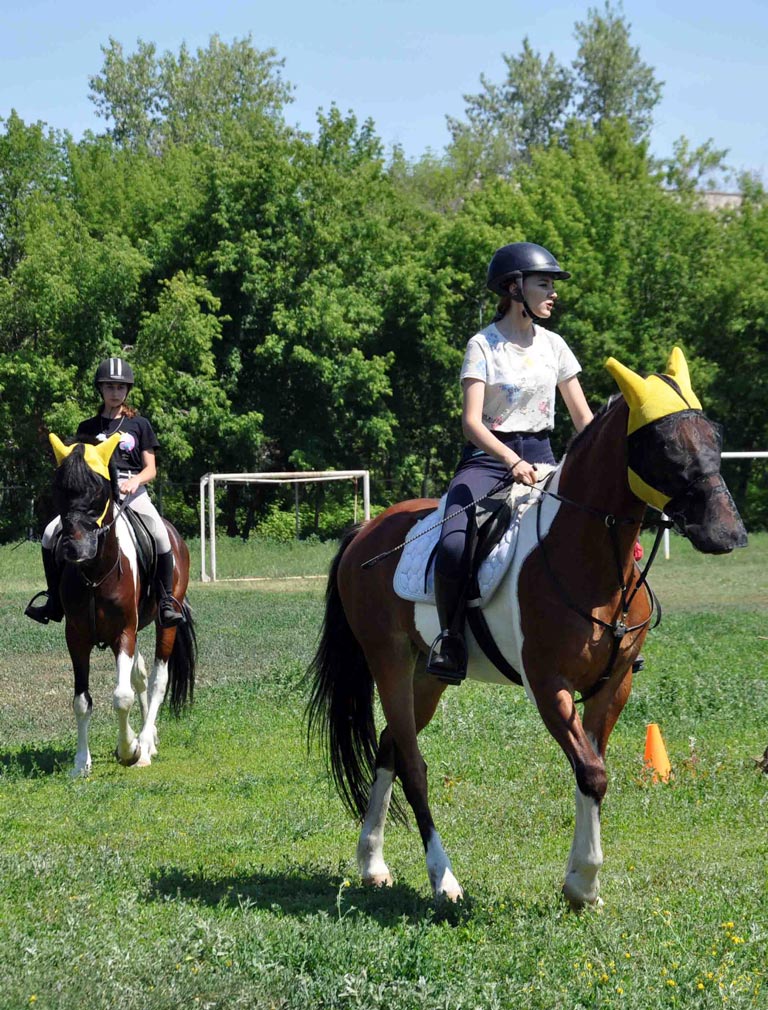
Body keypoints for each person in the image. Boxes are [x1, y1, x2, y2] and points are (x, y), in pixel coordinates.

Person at [426, 242, 594, 683]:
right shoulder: (483, 345)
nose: (553, 293)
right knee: (455, 543)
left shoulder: (555, 346)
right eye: (544, 284)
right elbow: (471, 423)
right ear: (514, 288)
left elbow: (583, 420)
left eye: (552, 285)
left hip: (544, 457)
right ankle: (449, 638)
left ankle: (611, 636)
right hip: (488, 458)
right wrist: (510, 458)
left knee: (600, 528)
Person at [25, 357, 183, 628]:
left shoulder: (140, 425)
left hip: (131, 491)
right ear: (100, 389)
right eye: (109, 387)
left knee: (159, 533)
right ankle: (54, 599)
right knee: (51, 533)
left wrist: (135, 482)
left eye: (120, 388)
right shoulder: (86, 428)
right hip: (94, 498)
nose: (115, 392)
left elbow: (151, 469)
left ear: (127, 391)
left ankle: (166, 601)